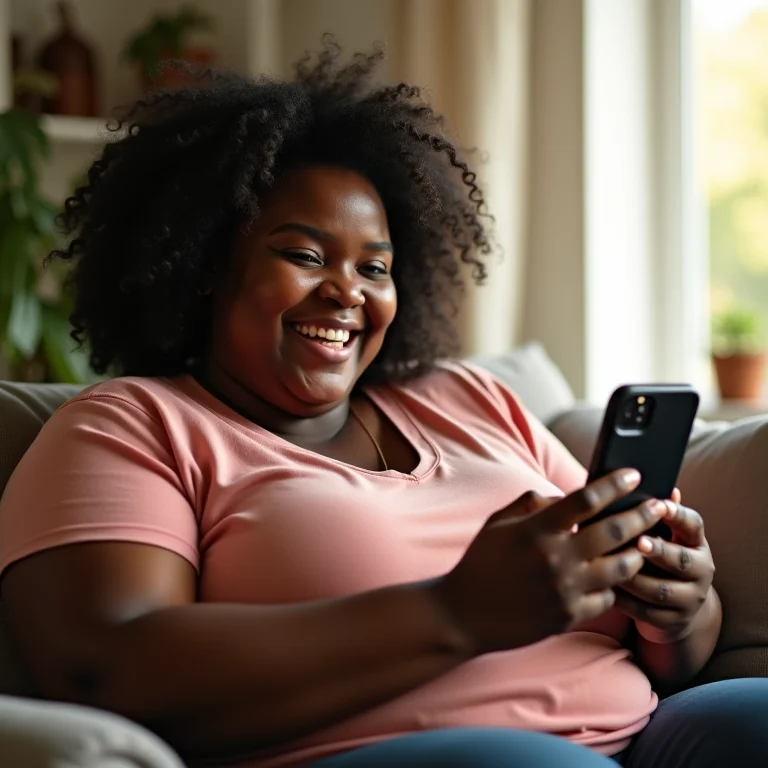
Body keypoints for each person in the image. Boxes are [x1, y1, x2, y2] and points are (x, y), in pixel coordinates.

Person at [0, 42, 766, 768]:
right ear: (203, 265)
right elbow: (109, 668)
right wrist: (456, 612)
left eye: (375, 267)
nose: (347, 292)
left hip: (640, 731)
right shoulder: (133, 426)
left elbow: (668, 648)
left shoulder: (470, 396)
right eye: (304, 255)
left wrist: (678, 611)